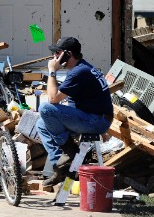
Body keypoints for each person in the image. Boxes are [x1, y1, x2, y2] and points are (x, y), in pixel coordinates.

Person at [35, 36, 114, 187]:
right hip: (90, 117)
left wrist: (52, 71)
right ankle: (61, 167)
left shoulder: (80, 72)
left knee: (45, 108)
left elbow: (53, 98)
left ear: (68, 54)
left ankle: (70, 152)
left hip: (96, 121)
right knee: (41, 124)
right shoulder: (81, 68)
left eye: (57, 53)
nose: (54, 57)